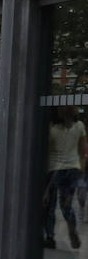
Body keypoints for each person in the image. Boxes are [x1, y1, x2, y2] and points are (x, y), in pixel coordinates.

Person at [44, 105, 86, 249]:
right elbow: (83, 150)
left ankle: (50, 236)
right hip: (70, 168)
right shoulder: (78, 126)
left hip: (56, 169)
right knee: (64, 205)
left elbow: (48, 150)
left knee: (52, 206)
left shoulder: (54, 129)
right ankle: (68, 229)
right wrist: (81, 170)